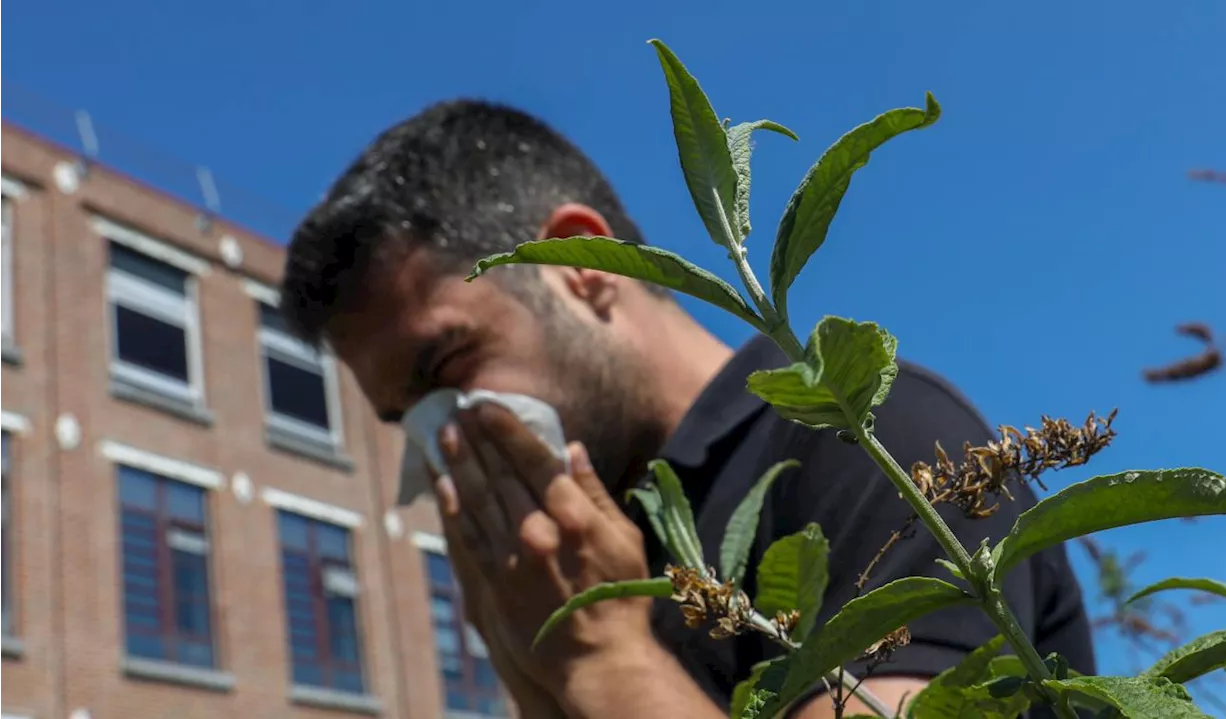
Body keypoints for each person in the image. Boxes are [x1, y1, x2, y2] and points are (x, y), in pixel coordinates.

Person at [280, 99, 1096, 719]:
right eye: (406, 419)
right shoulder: (602, 545)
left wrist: (606, 661)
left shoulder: (864, 437)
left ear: (580, 265)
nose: (445, 436)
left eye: (450, 366)